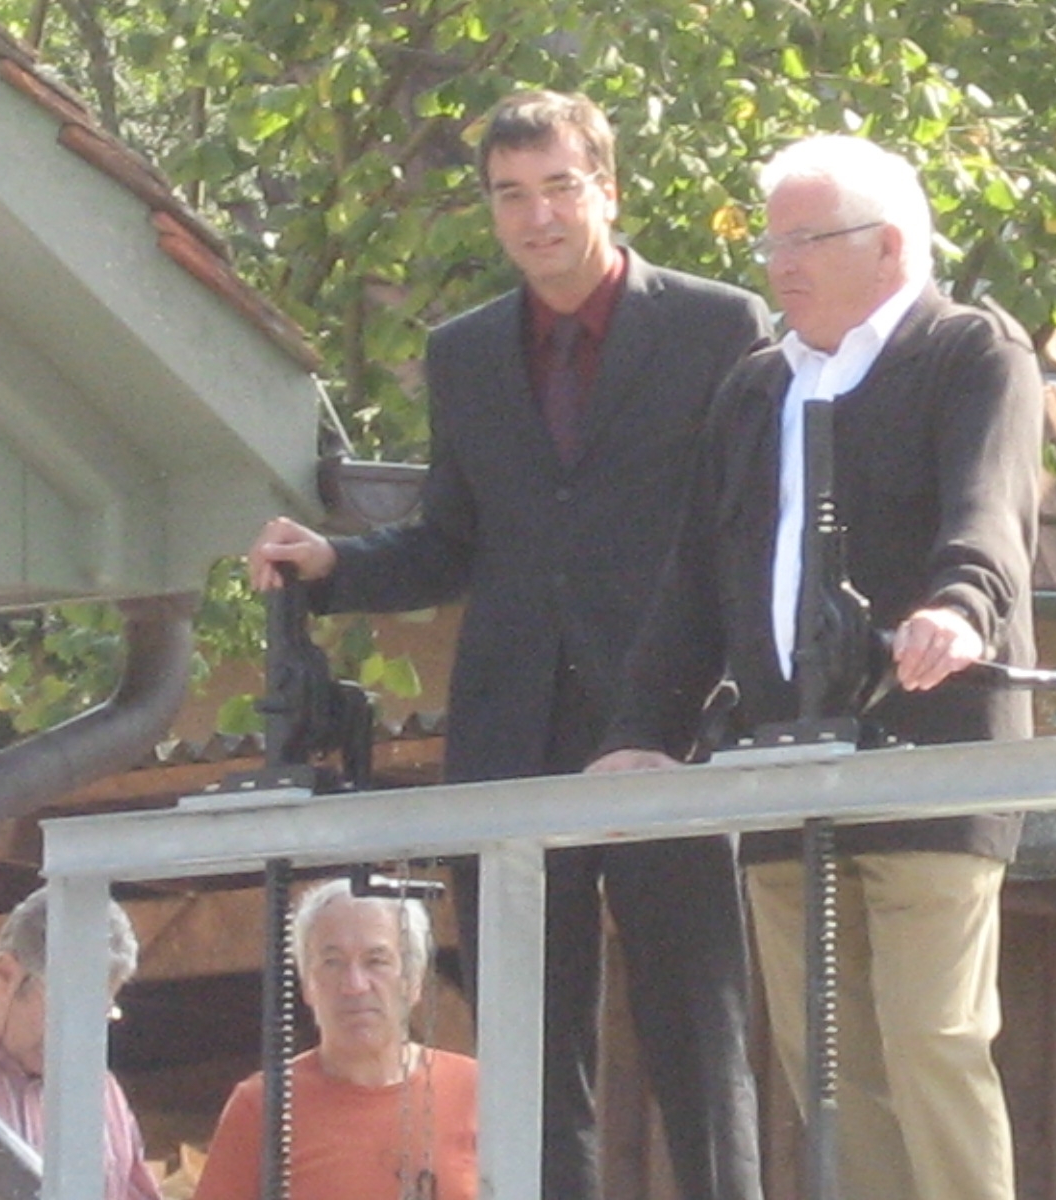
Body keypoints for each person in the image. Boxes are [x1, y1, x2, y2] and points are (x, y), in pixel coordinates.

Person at [245, 90, 771, 1200]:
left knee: (697, 1033)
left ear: (607, 190)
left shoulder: (718, 327)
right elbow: (452, 541)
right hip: (509, 736)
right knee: (529, 1054)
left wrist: (723, 694)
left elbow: (752, 529)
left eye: (559, 188)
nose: (536, 217)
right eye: (509, 195)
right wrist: (335, 565)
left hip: (668, 726)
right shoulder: (465, 352)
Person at [590, 134, 1045, 1200]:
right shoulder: (756, 387)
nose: (778, 263)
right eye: (772, 241)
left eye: (805, 240)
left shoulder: (970, 351)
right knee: (828, 1071)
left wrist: (959, 608)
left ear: (889, 247)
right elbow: (696, 581)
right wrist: (641, 730)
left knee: (932, 1038)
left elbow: (989, 513)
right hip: (784, 765)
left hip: (934, 760)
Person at [192, 879, 477, 1200]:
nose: (354, 985)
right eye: (333, 962)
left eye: (376, 961)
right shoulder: (262, 1107)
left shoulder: (478, 1093)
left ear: (413, 981)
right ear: (307, 984)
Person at [0, 887, 160, 1200]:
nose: (77, 1038)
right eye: (66, 1011)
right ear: (6, 973)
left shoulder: (101, 1092)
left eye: (100, 1014)